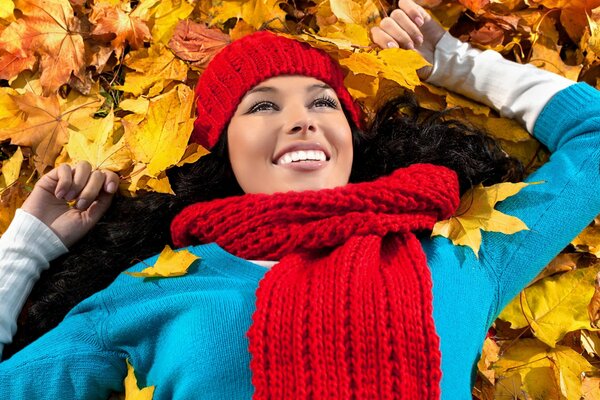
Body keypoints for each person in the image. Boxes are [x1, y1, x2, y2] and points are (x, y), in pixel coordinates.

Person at [0, 0, 599, 398]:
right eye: (262, 106)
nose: (301, 121)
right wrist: (25, 250)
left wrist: (456, 64)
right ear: (225, 152)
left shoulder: (458, 254)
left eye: (323, 102)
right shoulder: (156, 287)